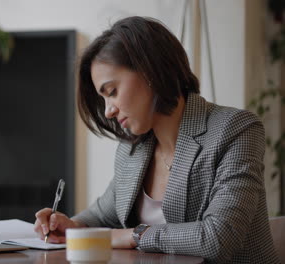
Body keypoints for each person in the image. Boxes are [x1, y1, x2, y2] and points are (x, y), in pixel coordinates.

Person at [34, 16, 280, 264]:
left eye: (112, 92)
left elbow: (218, 237)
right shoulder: (132, 149)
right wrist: (71, 225)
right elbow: (102, 214)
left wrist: (137, 235)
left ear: (150, 70)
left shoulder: (235, 130)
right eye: (104, 99)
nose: (108, 111)